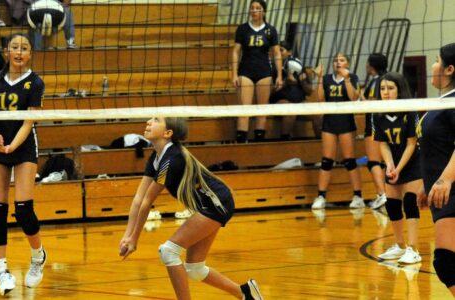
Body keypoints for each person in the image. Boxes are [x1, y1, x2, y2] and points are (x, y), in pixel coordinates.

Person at [120, 117, 263, 300]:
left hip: (215, 202)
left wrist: (134, 239)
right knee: (195, 269)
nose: (148, 121)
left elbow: (147, 201)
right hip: (211, 203)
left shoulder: (171, 159)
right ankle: (245, 293)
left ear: (168, 133)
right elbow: (139, 199)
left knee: (168, 251)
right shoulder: (156, 157)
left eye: (156, 120)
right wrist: (127, 235)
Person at [0, 32, 46, 296]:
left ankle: (38, 256)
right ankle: (1, 270)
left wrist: (12, 145)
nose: (19, 52)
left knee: (23, 210)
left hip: (23, 145)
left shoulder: (36, 83)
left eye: (24, 48)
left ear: (30, 54)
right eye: (14, 48)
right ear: (6, 52)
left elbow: (29, 123)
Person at [417, 42, 455, 296]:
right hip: (442, 191)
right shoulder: (442, 102)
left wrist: (444, 180)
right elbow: (438, 147)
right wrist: (426, 183)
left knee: (447, 263)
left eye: (436, 59)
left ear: (449, 68)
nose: (433, 65)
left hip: (452, 190)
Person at [373, 72, 422, 264]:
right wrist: (389, 165)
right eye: (383, 89)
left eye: (390, 88)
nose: (386, 92)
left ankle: (413, 248)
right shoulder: (377, 112)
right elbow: (382, 143)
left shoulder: (409, 110)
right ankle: (400, 246)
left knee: (410, 202)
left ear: (400, 90)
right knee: (392, 205)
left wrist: (398, 168)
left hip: (412, 162)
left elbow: (411, 143)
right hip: (393, 162)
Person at [312, 52, 364, 209]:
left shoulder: (353, 78)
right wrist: (320, 78)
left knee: (349, 160)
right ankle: (321, 196)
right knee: (326, 160)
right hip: (329, 123)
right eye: (335, 60)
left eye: (342, 60)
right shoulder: (327, 79)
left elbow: (353, 98)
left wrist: (346, 79)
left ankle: (358, 196)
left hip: (346, 123)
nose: (338, 63)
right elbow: (320, 99)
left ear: (347, 63)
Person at [231, 0, 282, 143]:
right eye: (252, 8)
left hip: (264, 72)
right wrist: (234, 74)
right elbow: (236, 52)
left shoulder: (271, 30)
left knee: (261, 111)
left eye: (257, 8)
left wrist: (279, 75)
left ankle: (258, 145)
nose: (254, 10)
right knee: (244, 110)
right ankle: (241, 144)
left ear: (263, 12)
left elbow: (277, 53)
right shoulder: (243, 29)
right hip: (245, 71)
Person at [270, 41, 320, 140]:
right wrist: (285, 83)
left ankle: (320, 141)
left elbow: (309, 92)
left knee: (319, 113)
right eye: (277, 51)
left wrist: (302, 82)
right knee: (291, 109)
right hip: (280, 101)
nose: (278, 53)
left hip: (300, 101)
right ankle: (285, 140)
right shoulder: (271, 67)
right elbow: (269, 91)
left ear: (290, 52)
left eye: (281, 50)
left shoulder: (298, 66)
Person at [362, 53, 388, 209]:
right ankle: (387, 195)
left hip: (374, 124)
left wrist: (360, 96)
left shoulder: (375, 83)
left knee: (373, 161)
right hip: (389, 124)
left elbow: (371, 104)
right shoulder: (391, 79)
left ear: (371, 66)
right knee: (385, 161)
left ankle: (382, 195)